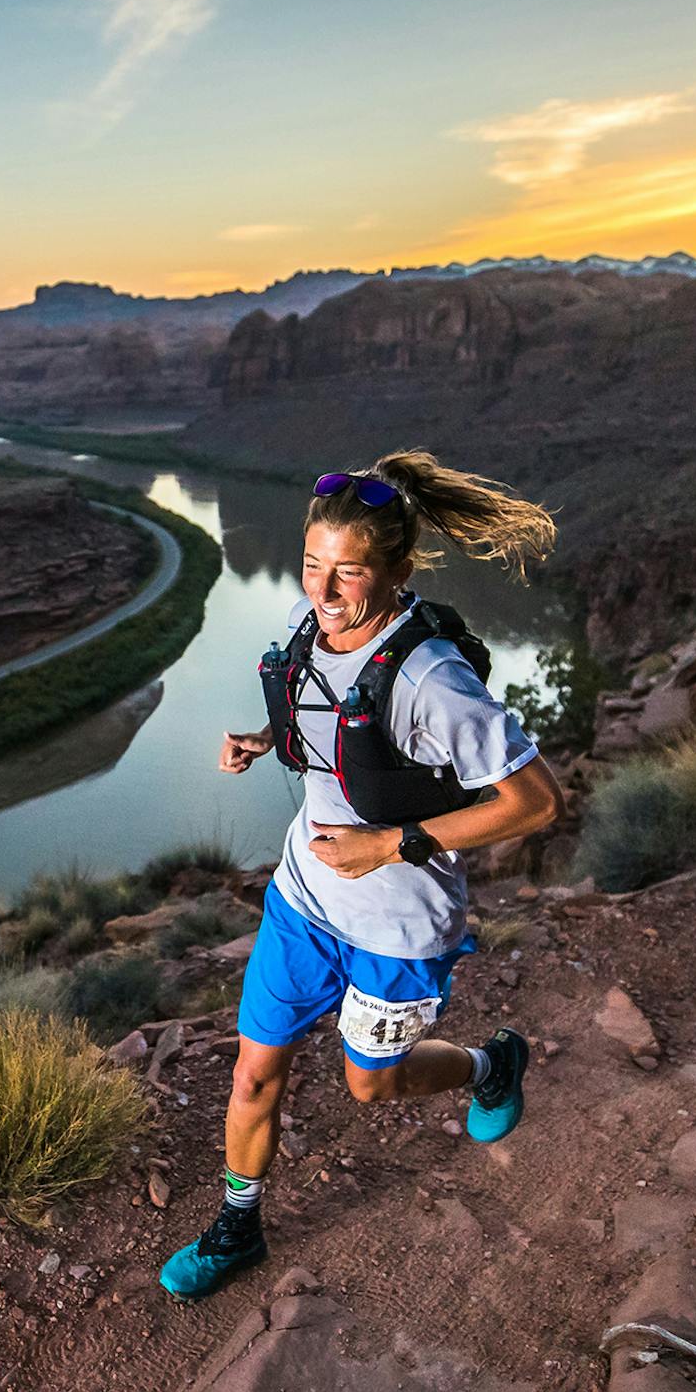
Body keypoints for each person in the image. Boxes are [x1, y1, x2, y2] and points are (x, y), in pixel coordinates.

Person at [159, 450, 567, 1301]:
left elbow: (534, 802)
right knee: (251, 1073)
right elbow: (336, 722)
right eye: (313, 564)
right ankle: (239, 1225)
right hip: (304, 899)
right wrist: (267, 739)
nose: (322, 587)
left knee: (370, 1084)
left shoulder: (430, 679)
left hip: (398, 925)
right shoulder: (321, 627)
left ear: (397, 572)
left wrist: (389, 845)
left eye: (347, 572)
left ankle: (490, 1064)